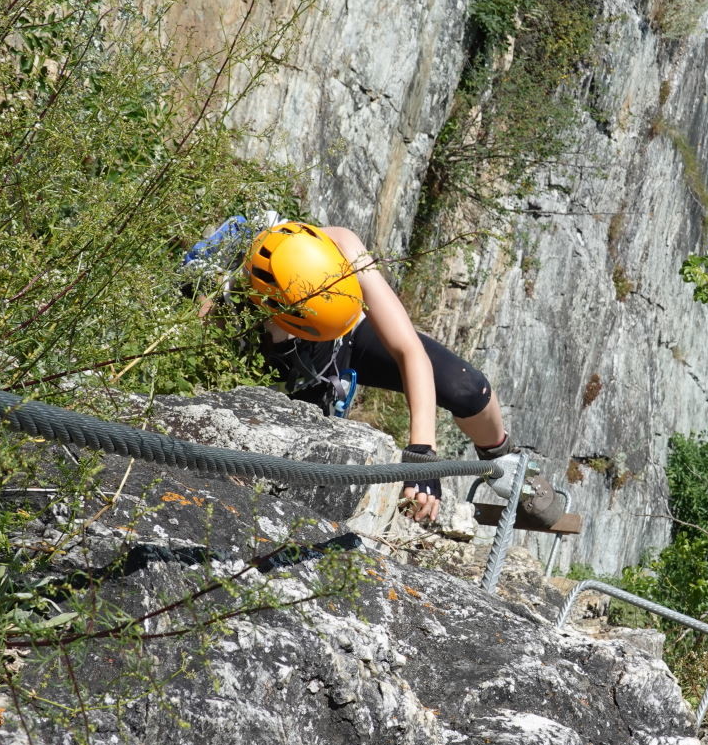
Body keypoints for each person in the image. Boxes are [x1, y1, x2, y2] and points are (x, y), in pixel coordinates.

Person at [198, 217, 558, 526]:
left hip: (342, 328)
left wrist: (422, 456)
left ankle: (501, 457)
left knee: (464, 386)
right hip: (283, 351)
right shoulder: (213, 305)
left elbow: (409, 351)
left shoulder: (339, 245)